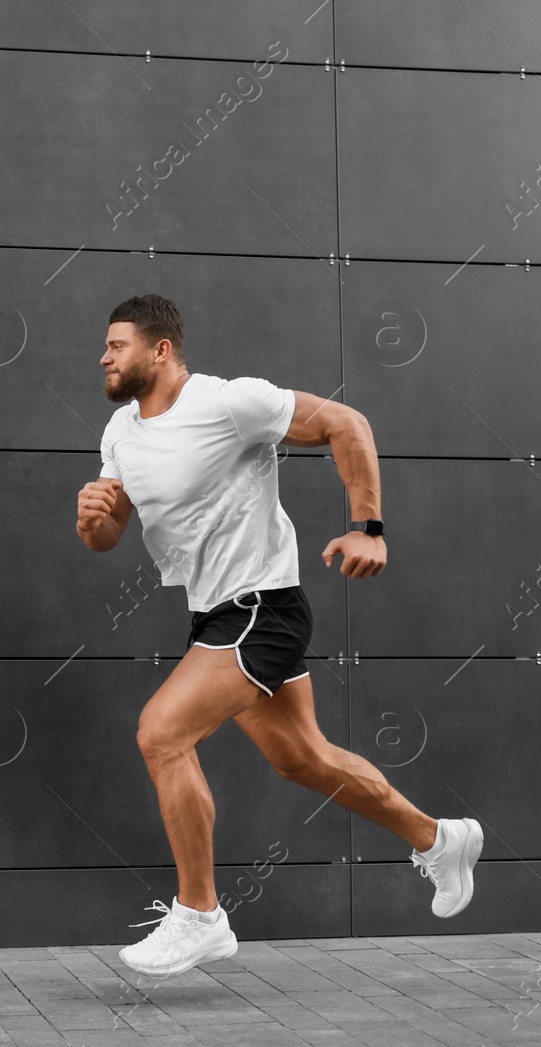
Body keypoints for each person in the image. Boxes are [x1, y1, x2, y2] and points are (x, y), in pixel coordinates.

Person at [75, 294, 482, 979]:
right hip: (214, 613)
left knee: (161, 732)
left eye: (116, 344)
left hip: (263, 606)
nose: (104, 356)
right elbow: (108, 533)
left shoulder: (230, 402)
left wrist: (369, 527)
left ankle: (201, 914)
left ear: (161, 349)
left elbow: (344, 423)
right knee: (303, 759)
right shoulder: (119, 433)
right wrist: (93, 519)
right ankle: (439, 838)